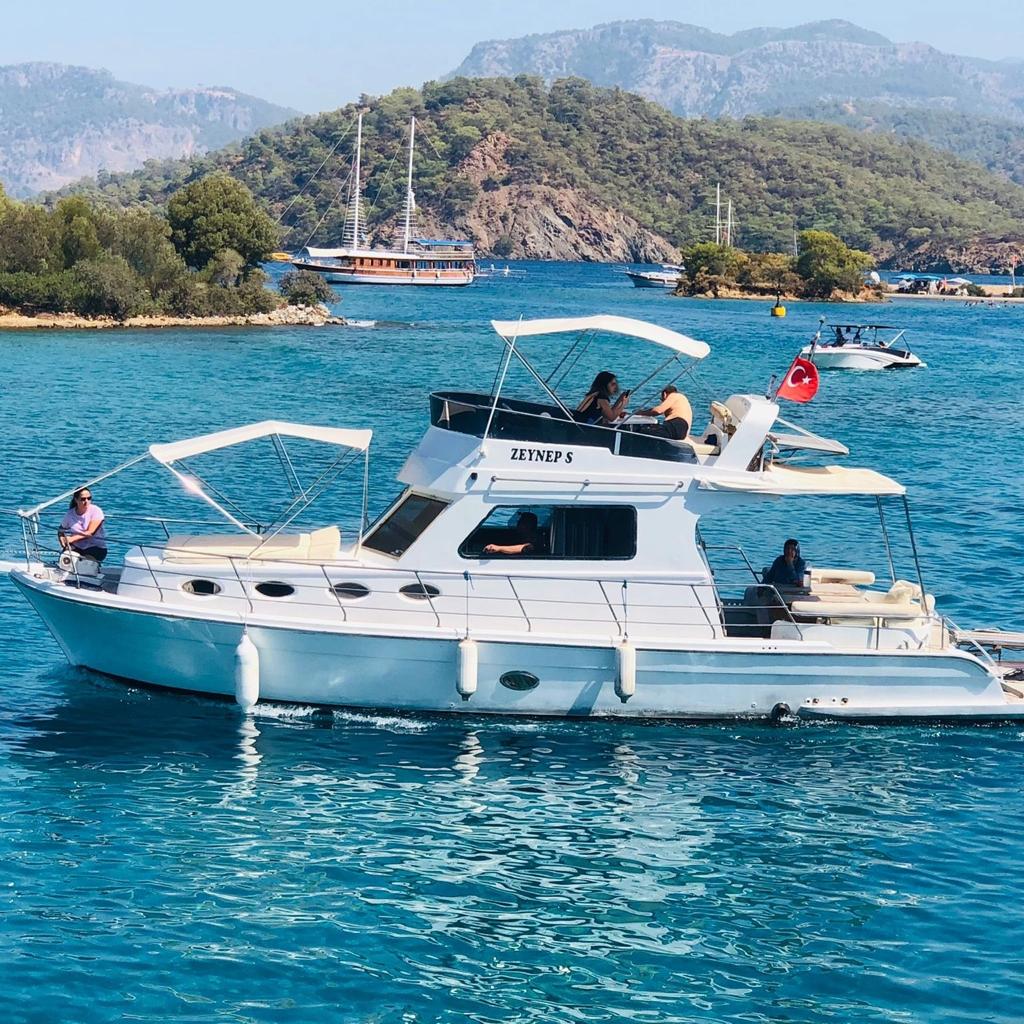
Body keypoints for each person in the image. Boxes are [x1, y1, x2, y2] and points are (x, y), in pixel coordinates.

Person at [58, 487, 108, 563]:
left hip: (95, 547)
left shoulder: (96, 511)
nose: (86, 501)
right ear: (76, 500)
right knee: (65, 559)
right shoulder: (70, 514)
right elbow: (61, 529)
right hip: (76, 547)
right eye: (83, 499)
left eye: (89, 498)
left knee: (85, 562)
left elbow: (90, 532)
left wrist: (72, 539)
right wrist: (61, 538)